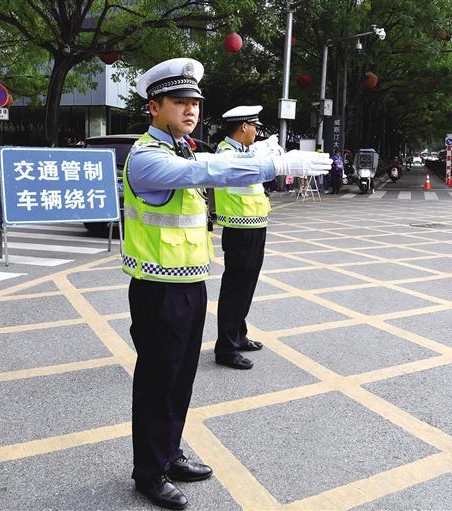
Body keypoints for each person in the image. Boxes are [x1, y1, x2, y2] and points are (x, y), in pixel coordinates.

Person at [123, 58, 329, 510]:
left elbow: (209, 166)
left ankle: (169, 452)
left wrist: (269, 158)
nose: (190, 110)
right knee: (158, 381)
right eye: (179, 102)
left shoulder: (182, 149)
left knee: (181, 379)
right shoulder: (147, 157)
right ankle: (148, 472)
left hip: (190, 283)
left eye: (195, 102)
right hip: (157, 290)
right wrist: (277, 164)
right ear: (154, 106)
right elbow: (210, 171)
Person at [212, 105, 277, 370]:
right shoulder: (226, 153)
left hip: (254, 226)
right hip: (239, 230)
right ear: (243, 127)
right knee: (235, 289)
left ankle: (239, 336)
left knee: (246, 286)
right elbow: (250, 170)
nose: (257, 132)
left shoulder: (244, 152)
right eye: (256, 127)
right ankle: (226, 348)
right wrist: (264, 157)